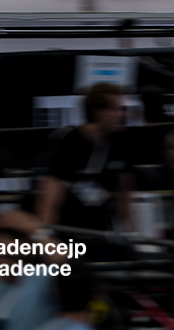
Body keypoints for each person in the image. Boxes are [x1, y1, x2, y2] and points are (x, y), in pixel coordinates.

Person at [36, 83, 132, 235]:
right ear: (97, 113)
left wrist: (133, 235)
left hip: (102, 231)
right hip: (67, 230)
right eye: (116, 109)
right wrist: (45, 241)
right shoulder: (66, 142)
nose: (122, 115)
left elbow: (125, 196)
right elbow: (49, 203)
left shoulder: (120, 142)